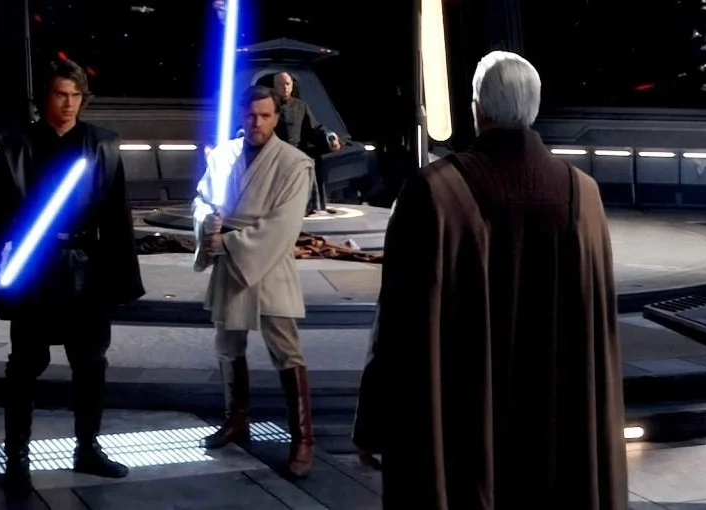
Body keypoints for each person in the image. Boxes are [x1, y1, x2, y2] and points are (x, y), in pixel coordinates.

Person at [353, 51, 628, 509]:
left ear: (478, 108)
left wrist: (375, 423)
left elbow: (399, 323)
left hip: (462, 435)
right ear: (533, 108)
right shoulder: (584, 195)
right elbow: (598, 333)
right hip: (559, 433)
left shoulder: (434, 192)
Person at [0, 59, 145, 498]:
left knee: (90, 366)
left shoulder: (102, 145)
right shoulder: (16, 144)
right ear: (44, 97)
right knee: (24, 367)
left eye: (75, 95)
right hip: (34, 270)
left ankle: (87, 449)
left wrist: (122, 279)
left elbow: (117, 217)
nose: (68, 104)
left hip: (87, 271)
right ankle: (16, 459)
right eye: (60, 94)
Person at [193, 85, 316, 478]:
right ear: (240, 116)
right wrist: (206, 224)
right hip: (229, 261)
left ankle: (303, 440)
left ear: (277, 117)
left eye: (264, 115)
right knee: (228, 344)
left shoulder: (295, 163)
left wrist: (228, 241)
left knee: (286, 350)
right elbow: (202, 199)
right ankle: (236, 419)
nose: (256, 122)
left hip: (268, 261)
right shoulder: (223, 155)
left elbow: (284, 226)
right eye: (250, 115)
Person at [273, 71, 341, 213]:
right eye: (281, 84)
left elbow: (314, 128)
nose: (285, 88)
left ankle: (308, 208)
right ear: (275, 85)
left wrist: (330, 137)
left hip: (296, 155)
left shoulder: (300, 106)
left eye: (288, 84)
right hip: (274, 155)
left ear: (292, 86)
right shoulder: (268, 105)